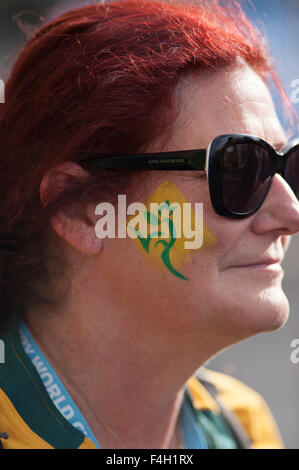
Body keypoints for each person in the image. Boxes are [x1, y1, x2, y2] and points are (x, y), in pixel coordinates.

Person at [0, 0, 298, 450]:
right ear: (81, 213)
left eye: (288, 168)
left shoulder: (244, 426)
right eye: (238, 169)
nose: (291, 214)